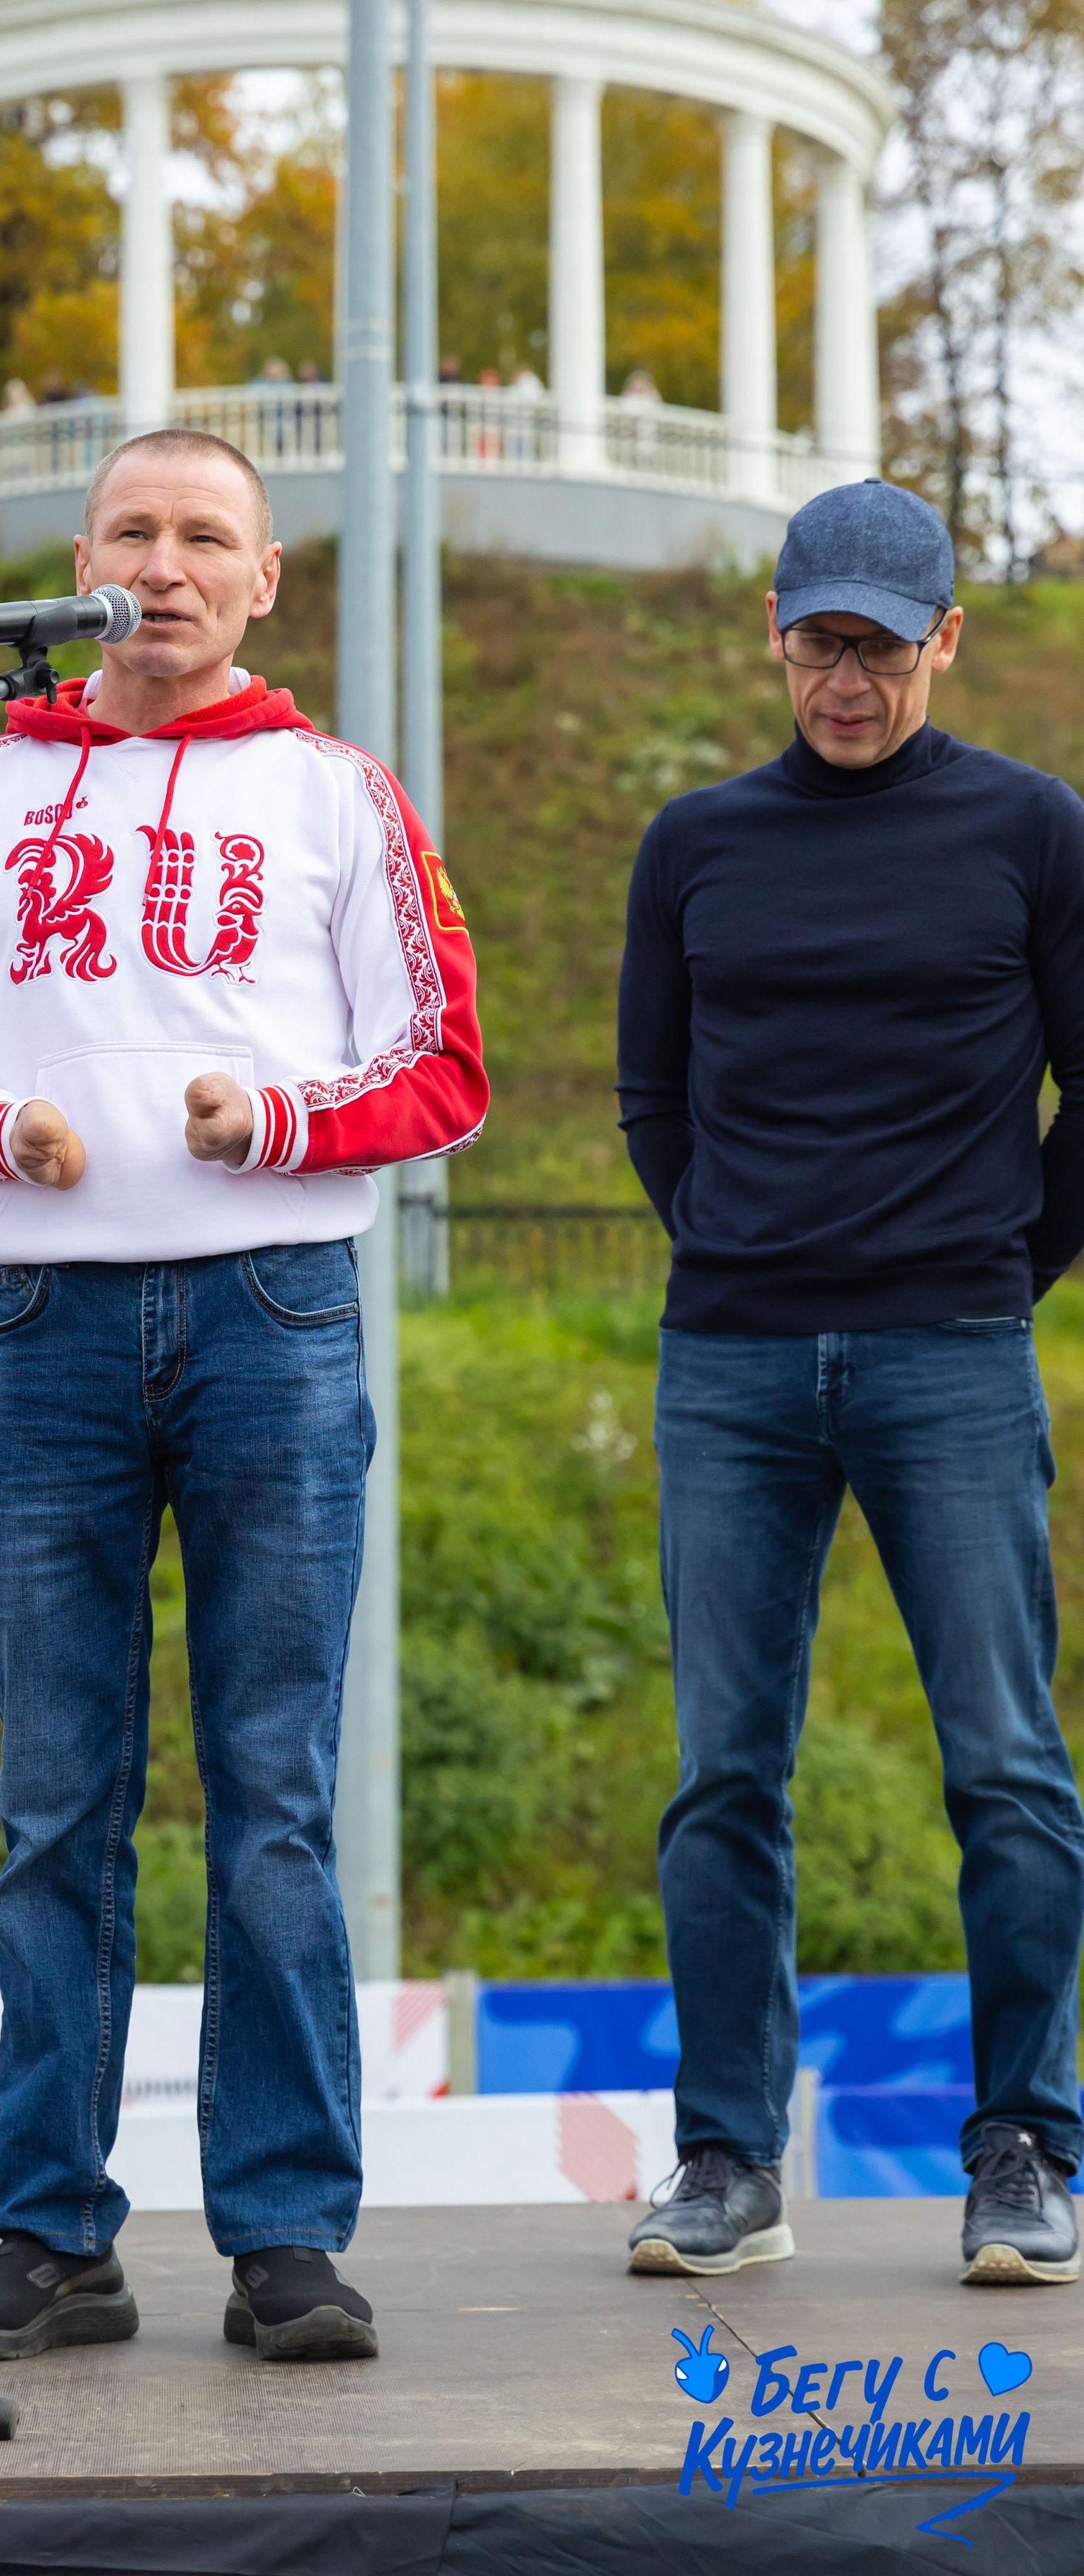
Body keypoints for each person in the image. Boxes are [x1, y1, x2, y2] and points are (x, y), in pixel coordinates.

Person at [0, 428, 487, 2361]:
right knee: (56, 1800)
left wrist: (275, 1119)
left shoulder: (334, 794)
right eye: (137, 530)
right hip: (40, 1325)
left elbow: (441, 1064)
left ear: (267, 578)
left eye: (210, 535)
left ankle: (285, 2237)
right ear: (83, 560)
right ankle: (56, 2235)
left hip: (275, 1312)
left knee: (270, 1794)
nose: (171, 563)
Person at [616, 477, 1084, 2286]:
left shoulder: (1034, 833)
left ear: (942, 643)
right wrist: (733, 1241)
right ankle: (725, 2161)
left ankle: (1026, 2150)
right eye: (816, 642)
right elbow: (652, 1099)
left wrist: (984, 1269)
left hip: (949, 1354)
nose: (844, 679)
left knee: (1007, 1768)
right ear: (772, 631)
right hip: (726, 1358)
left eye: (879, 648)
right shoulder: (693, 844)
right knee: (724, 1772)